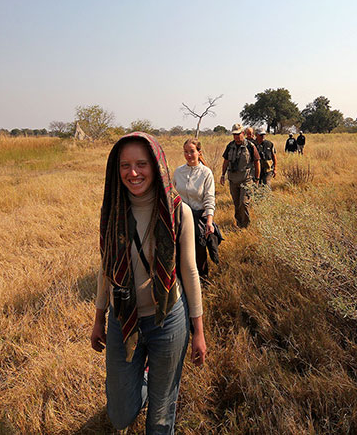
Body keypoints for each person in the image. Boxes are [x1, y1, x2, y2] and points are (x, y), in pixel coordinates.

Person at [91, 132, 206, 434]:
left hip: (167, 319)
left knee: (161, 413)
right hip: (122, 317)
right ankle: (142, 381)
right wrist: (98, 319)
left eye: (141, 164)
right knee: (120, 414)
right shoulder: (111, 213)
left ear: (156, 166)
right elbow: (106, 268)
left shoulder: (179, 212)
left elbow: (190, 272)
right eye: (125, 165)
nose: (133, 173)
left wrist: (199, 332)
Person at [172, 138, 223, 279]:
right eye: (186, 152)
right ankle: (182, 280)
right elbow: (172, 195)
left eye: (192, 152)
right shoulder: (178, 172)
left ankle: (202, 280)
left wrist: (209, 221)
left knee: (199, 251)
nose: (189, 155)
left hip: (198, 217)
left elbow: (209, 198)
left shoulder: (206, 173)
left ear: (199, 152)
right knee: (181, 250)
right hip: (180, 217)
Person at [220, 123, 260, 228]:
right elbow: (226, 161)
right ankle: (239, 223)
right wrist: (222, 175)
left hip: (246, 179)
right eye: (234, 134)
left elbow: (257, 162)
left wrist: (257, 178)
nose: (236, 136)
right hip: (233, 180)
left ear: (243, 133)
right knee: (237, 204)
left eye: (238, 134)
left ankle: (245, 225)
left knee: (244, 203)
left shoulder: (250, 146)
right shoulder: (230, 146)